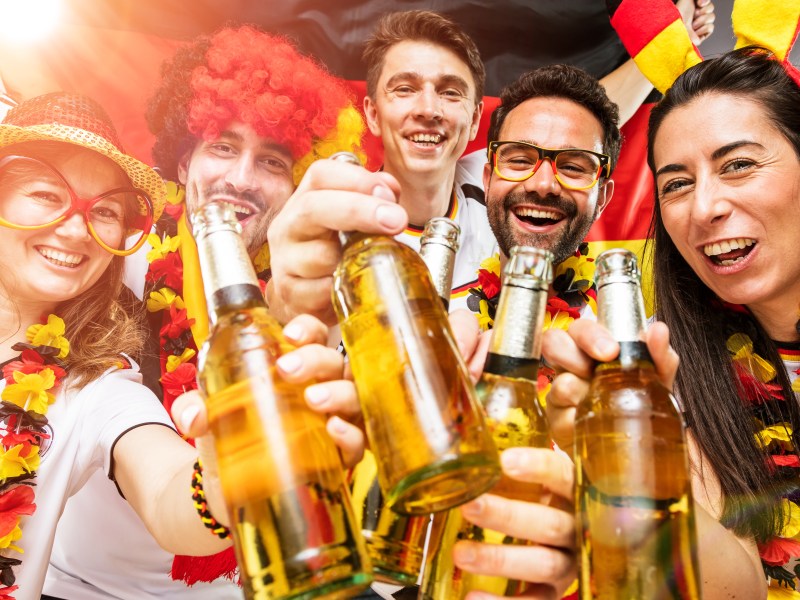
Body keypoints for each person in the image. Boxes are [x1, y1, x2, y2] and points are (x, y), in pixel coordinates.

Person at [43, 26, 400, 599]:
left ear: (294, 187)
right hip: (83, 585)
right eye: (224, 147)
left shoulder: (313, 294)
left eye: (272, 162)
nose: (239, 180)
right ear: (183, 166)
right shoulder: (108, 262)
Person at [0, 91, 348, 600]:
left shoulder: (96, 386)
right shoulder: (143, 262)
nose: (76, 229)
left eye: (104, 211)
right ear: (184, 164)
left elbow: (167, 490)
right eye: (47, 195)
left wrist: (231, 474)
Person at [536, 47, 800, 600]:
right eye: (676, 183)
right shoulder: (672, 371)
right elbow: (738, 588)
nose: (704, 208)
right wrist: (637, 467)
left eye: (738, 165)